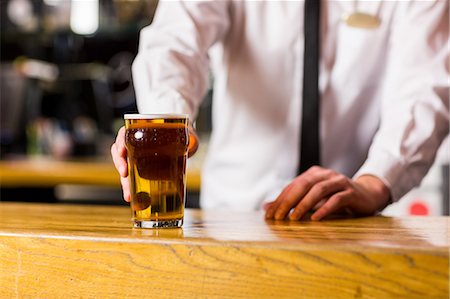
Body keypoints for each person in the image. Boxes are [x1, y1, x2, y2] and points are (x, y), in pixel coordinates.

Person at [111, 1, 449, 220]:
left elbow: (424, 85)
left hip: (351, 220)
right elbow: (174, 44)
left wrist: (375, 182)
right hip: (231, 217)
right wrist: (164, 124)